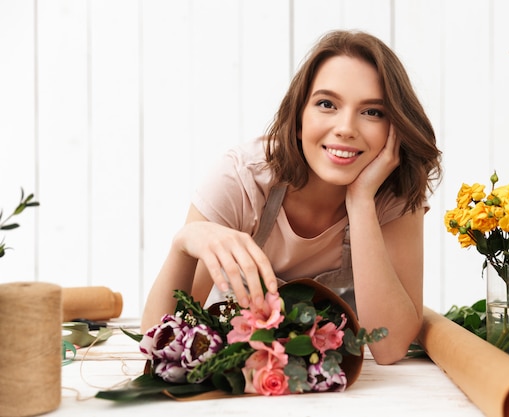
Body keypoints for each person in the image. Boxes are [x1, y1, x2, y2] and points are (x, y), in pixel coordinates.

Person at [141, 30, 442, 365]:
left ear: (394, 128)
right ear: (299, 117)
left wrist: (360, 203)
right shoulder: (242, 179)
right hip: (240, 358)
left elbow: (390, 347)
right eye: (327, 104)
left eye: (372, 112)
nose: (346, 127)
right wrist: (183, 243)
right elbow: (158, 339)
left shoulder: (394, 191)